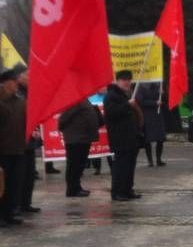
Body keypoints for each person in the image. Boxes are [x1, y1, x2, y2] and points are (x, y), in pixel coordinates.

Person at [0, 69, 28, 226]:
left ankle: (11, 212)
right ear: (4, 84)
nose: (16, 84)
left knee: (15, 184)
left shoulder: (20, 102)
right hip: (1, 151)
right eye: (13, 81)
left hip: (18, 150)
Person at [104, 70, 144, 200]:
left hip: (131, 138)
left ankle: (127, 190)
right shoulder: (111, 95)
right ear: (118, 81)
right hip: (119, 138)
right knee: (121, 166)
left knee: (130, 166)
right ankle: (117, 192)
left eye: (129, 79)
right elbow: (111, 113)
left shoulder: (126, 95)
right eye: (124, 80)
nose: (127, 82)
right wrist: (127, 105)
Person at [57, 97, 101, 197]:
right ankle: (72, 190)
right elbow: (63, 118)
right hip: (75, 139)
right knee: (74, 165)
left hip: (84, 138)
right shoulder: (75, 100)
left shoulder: (84, 99)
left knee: (79, 165)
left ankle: (77, 187)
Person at [15, 68, 42, 213]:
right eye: (28, 75)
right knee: (20, 175)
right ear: (19, 78)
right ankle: (18, 204)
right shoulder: (18, 94)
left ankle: (26, 203)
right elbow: (18, 117)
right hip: (19, 142)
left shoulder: (28, 93)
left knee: (29, 175)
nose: (31, 78)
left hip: (30, 141)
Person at [139, 81, 167, 168]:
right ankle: (150, 160)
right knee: (148, 139)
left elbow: (165, 101)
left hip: (158, 115)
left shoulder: (159, 85)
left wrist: (163, 94)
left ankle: (158, 159)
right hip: (147, 116)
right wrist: (154, 103)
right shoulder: (141, 86)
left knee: (160, 138)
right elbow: (141, 102)